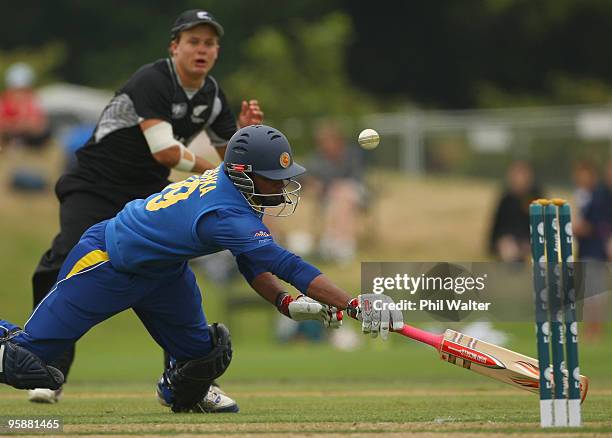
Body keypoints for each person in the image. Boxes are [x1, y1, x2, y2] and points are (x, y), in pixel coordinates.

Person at [0, 124, 403, 414]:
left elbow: (250, 260)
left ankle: (177, 395)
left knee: (202, 358)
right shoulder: (227, 211)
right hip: (108, 262)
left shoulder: (233, 192)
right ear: (244, 173)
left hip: (165, 271)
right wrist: (354, 303)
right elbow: (281, 262)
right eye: (273, 178)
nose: (282, 186)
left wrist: (285, 302)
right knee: (26, 362)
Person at [28, 9, 264, 404]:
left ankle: (189, 382)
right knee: (63, 262)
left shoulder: (212, 97)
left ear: (217, 51)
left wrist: (246, 136)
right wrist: (212, 173)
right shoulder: (153, 80)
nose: (201, 49)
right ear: (175, 47)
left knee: (170, 282)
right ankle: (46, 372)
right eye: (193, 41)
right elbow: (166, 152)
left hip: (144, 202)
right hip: (94, 188)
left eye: (209, 43)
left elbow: (235, 168)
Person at [306, 121, 366, 263]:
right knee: (339, 198)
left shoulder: (352, 154)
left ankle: (335, 242)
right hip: (330, 198)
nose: (326, 145)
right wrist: (313, 183)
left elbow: (357, 178)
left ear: (338, 141)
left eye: (329, 141)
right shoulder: (317, 158)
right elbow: (305, 176)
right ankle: (341, 243)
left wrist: (339, 186)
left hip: (354, 193)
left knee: (344, 193)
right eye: (322, 142)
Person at [488, 161, 542, 262]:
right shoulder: (506, 198)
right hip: (509, 238)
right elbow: (497, 223)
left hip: (531, 238)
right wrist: (493, 245)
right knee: (509, 249)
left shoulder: (536, 196)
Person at [0, 62, 50, 150]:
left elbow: (39, 126)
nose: (20, 95)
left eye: (23, 91)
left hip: (31, 146)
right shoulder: (4, 101)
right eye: (17, 91)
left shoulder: (33, 100)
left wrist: (20, 125)